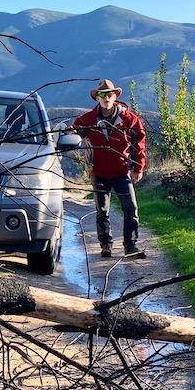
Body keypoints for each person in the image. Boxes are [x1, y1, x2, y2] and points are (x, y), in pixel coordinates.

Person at [71, 79, 147, 258]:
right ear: (97, 99)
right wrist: (70, 133)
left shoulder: (129, 119)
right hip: (98, 172)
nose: (106, 98)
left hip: (121, 171)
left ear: (115, 97)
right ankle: (106, 245)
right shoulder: (88, 119)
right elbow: (75, 129)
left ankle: (131, 246)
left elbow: (139, 144)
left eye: (109, 94)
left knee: (131, 208)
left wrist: (138, 167)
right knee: (102, 211)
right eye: (102, 95)